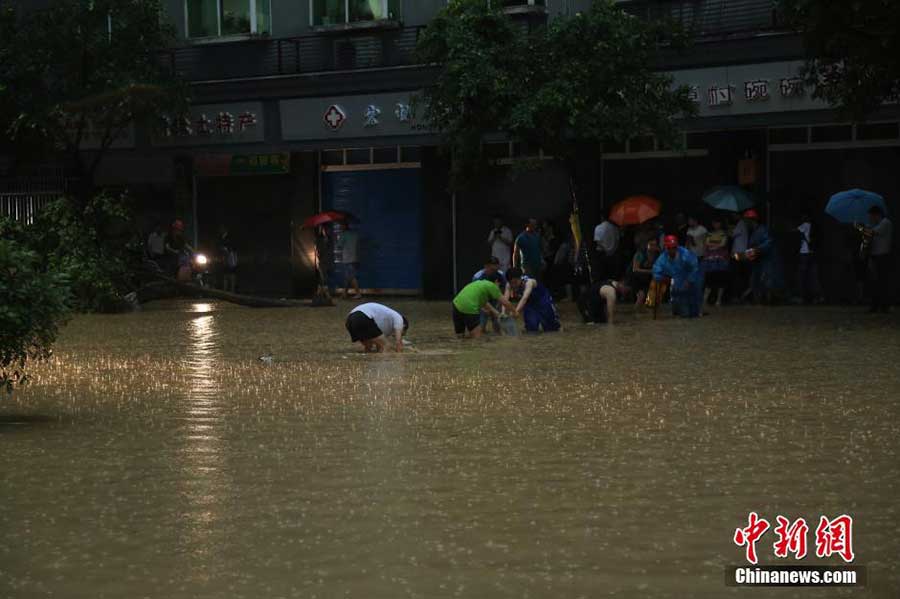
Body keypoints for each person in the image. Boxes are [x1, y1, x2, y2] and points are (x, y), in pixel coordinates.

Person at [738, 209, 784, 304]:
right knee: (756, 281)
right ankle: (760, 300)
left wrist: (756, 250)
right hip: (758, 261)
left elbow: (768, 243)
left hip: (767, 260)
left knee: (767, 281)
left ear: (751, 221)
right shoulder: (754, 232)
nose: (745, 224)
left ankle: (770, 300)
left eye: (746, 221)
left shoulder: (763, 230)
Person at [652, 235, 704, 318]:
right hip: (677, 281)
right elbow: (656, 271)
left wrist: (689, 280)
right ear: (666, 248)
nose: (672, 250)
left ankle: (697, 310)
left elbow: (695, 267)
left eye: (674, 247)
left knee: (694, 308)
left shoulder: (686, 254)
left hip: (693, 279)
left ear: (677, 246)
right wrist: (664, 279)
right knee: (680, 311)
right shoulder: (662, 258)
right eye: (669, 248)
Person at [506, 268, 561, 332]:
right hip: (530, 303)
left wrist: (515, 311)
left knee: (552, 329)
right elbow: (505, 298)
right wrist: (503, 312)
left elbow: (524, 298)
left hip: (543, 300)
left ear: (520, 278)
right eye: (511, 283)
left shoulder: (529, 282)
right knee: (531, 329)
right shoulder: (508, 285)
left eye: (515, 282)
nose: (513, 285)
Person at [863, 205, 893, 313]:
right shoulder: (876, 224)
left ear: (877, 215)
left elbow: (871, 232)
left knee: (882, 281)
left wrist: (865, 228)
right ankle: (876, 304)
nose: (870, 218)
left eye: (871, 216)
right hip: (875, 255)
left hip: (883, 255)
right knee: (875, 281)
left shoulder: (885, 223)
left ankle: (883, 305)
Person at [792, 213, 824, 305]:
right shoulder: (815, 227)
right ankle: (818, 297)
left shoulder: (805, 225)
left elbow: (794, 231)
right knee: (813, 275)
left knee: (801, 275)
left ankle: (801, 297)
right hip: (813, 252)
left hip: (804, 252)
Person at [472, 256, 508, 334]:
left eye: (496, 269)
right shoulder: (477, 277)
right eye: (492, 269)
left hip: (495, 301)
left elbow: (504, 291)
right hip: (481, 302)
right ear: (486, 266)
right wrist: (483, 308)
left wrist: (499, 306)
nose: (494, 271)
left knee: (498, 327)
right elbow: (475, 296)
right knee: (480, 329)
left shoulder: (501, 275)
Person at [702, 217, 731, 306]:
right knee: (709, 279)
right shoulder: (709, 233)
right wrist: (717, 245)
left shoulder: (724, 233)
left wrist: (713, 245)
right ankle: (704, 300)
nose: (716, 224)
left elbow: (723, 244)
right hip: (710, 260)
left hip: (721, 260)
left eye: (717, 223)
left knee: (720, 279)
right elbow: (706, 243)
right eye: (714, 223)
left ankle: (718, 300)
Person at [628, 238, 660, 307]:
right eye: (651, 245)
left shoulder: (657, 255)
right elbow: (635, 269)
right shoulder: (640, 254)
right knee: (641, 297)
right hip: (635, 278)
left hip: (647, 279)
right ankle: (634, 315)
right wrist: (650, 271)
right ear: (647, 245)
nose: (653, 247)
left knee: (651, 301)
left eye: (654, 245)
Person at [336, 221, 361, 299]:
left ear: (344, 226)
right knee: (347, 277)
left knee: (351, 276)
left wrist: (338, 239)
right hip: (355, 258)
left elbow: (339, 246)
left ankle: (358, 293)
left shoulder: (343, 235)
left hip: (348, 259)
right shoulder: (354, 234)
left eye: (341, 225)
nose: (340, 227)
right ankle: (344, 294)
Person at [593, 211, 621, 280]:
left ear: (602, 217)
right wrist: (612, 250)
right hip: (613, 254)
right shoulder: (615, 228)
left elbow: (598, 242)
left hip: (602, 254)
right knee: (612, 276)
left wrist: (606, 250)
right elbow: (617, 241)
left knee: (602, 276)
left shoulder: (599, 227)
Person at [730, 212, 751, 302]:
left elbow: (732, 234)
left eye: (734, 215)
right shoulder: (744, 224)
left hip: (739, 252)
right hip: (741, 251)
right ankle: (742, 294)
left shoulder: (741, 224)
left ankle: (740, 295)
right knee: (740, 273)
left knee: (738, 273)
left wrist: (728, 228)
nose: (733, 217)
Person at [216, 225, 238, 293]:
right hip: (225, 257)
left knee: (231, 273)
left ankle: (232, 290)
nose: (221, 231)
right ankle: (225, 290)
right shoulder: (221, 238)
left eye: (222, 229)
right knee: (225, 274)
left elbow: (232, 247)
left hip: (230, 256)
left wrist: (227, 250)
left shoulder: (230, 238)